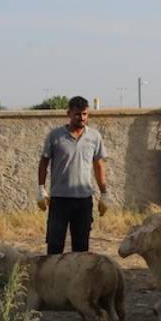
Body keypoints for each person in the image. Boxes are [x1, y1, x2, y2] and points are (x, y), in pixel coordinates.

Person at [37, 96, 109, 255]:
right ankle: (53, 278)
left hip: (83, 200)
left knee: (81, 247)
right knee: (55, 245)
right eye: (77, 114)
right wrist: (41, 189)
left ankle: (78, 279)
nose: (81, 118)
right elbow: (44, 162)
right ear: (68, 114)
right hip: (59, 199)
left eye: (84, 114)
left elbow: (98, 165)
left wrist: (104, 193)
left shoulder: (94, 137)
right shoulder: (55, 136)